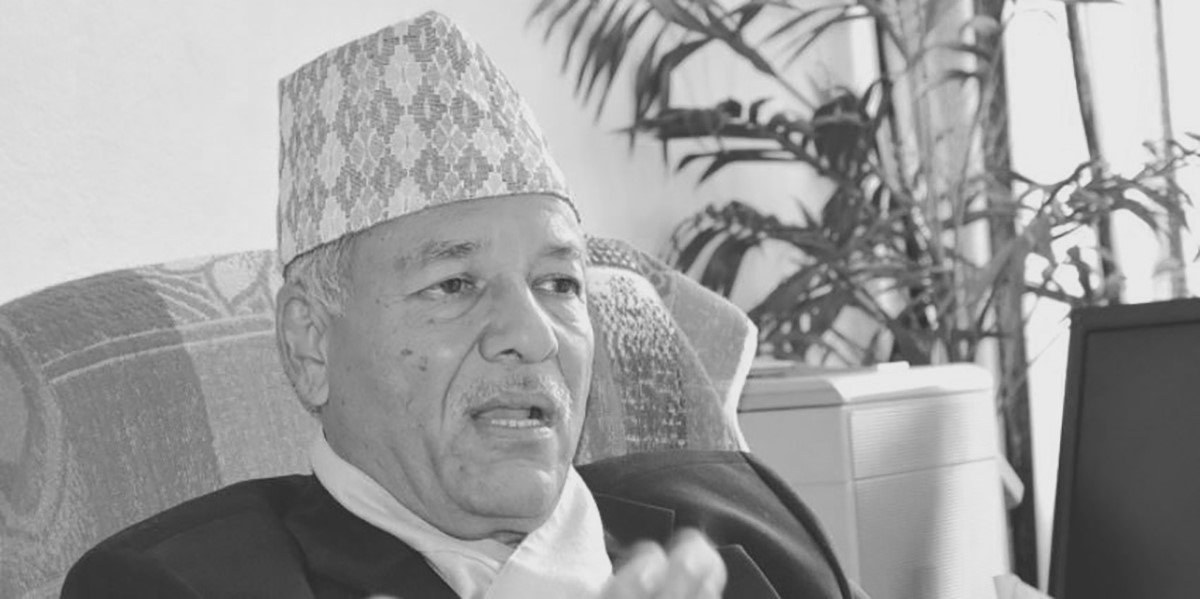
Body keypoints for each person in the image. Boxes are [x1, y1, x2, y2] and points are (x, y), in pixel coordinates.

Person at [60, 11, 865, 599]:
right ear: (310, 344)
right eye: (454, 284)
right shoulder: (173, 583)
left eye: (559, 283)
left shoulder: (746, 513)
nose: (532, 335)